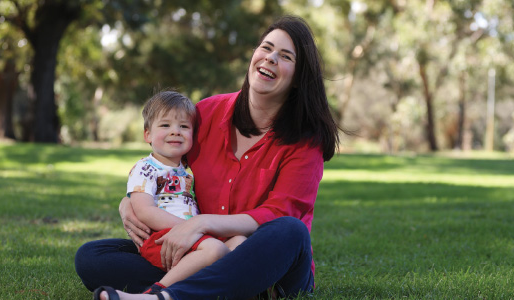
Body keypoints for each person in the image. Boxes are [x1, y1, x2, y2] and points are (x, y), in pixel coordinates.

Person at [75, 15, 340, 300]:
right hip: (201, 250)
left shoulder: (304, 140)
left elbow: (276, 214)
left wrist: (201, 224)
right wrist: (128, 202)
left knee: (291, 231)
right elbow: (165, 167)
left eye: (285, 56)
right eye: (266, 47)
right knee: (93, 256)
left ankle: (164, 296)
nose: (270, 58)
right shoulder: (206, 114)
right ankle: (222, 290)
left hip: (266, 262)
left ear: (299, 78)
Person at [122, 90, 247, 295]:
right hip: (160, 238)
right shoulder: (145, 168)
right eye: (165, 125)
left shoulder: (187, 170)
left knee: (239, 242)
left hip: (193, 236)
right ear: (147, 134)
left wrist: (196, 230)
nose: (175, 131)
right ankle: (156, 293)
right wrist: (190, 228)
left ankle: (234, 290)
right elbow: (144, 211)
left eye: (184, 126)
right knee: (215, 250)